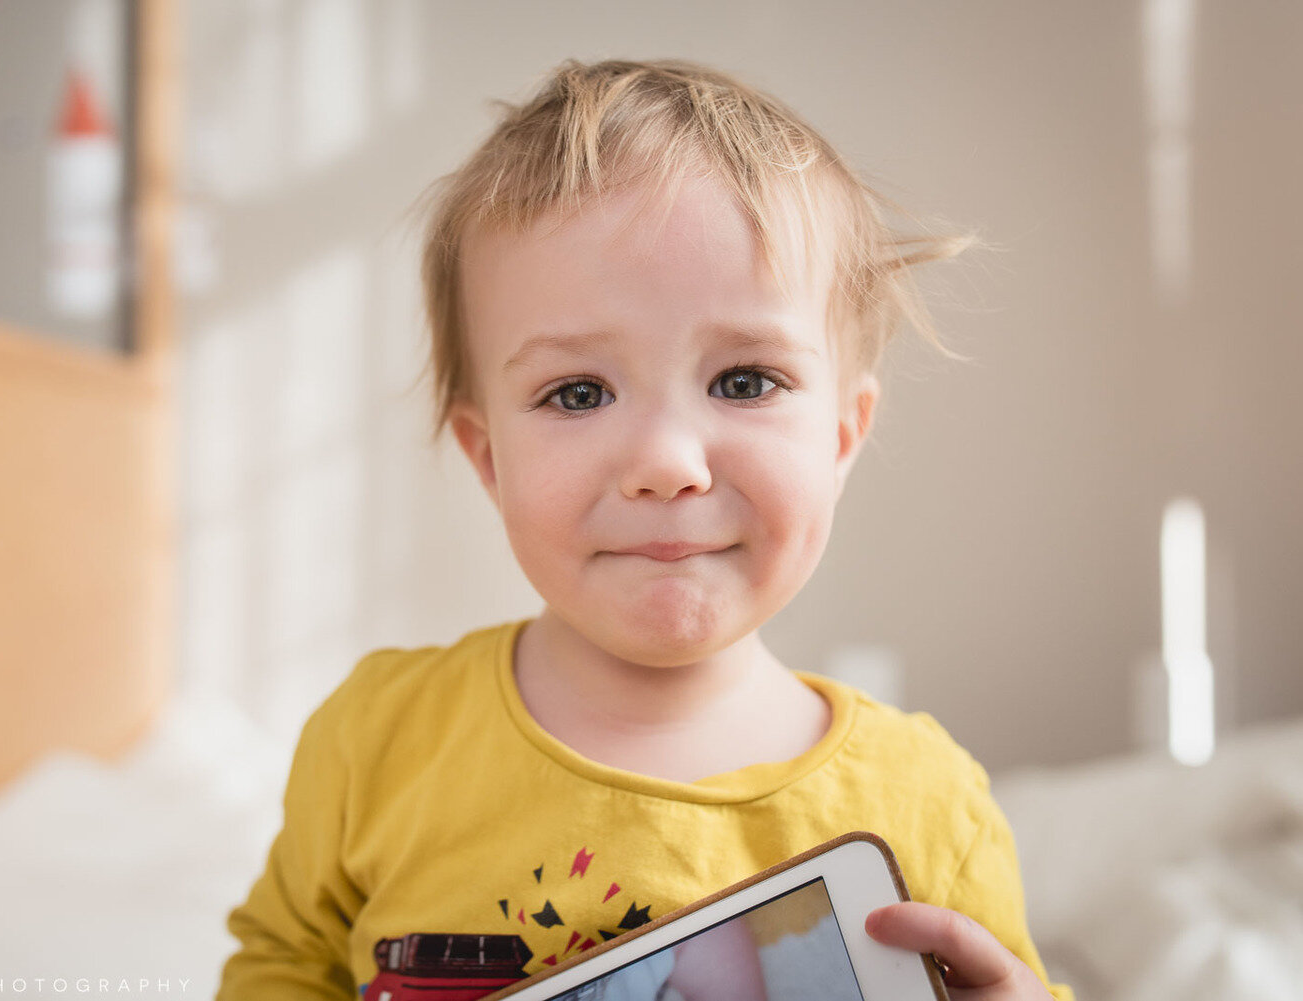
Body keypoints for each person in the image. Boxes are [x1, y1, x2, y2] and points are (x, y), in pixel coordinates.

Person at [216, 57, 1074, 1001]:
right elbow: (282, 964)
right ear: (489, 457)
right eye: (576, 392)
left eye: (744, 381)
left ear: (840, 437)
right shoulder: (378, 738)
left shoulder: (927, 805)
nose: (668, 461)